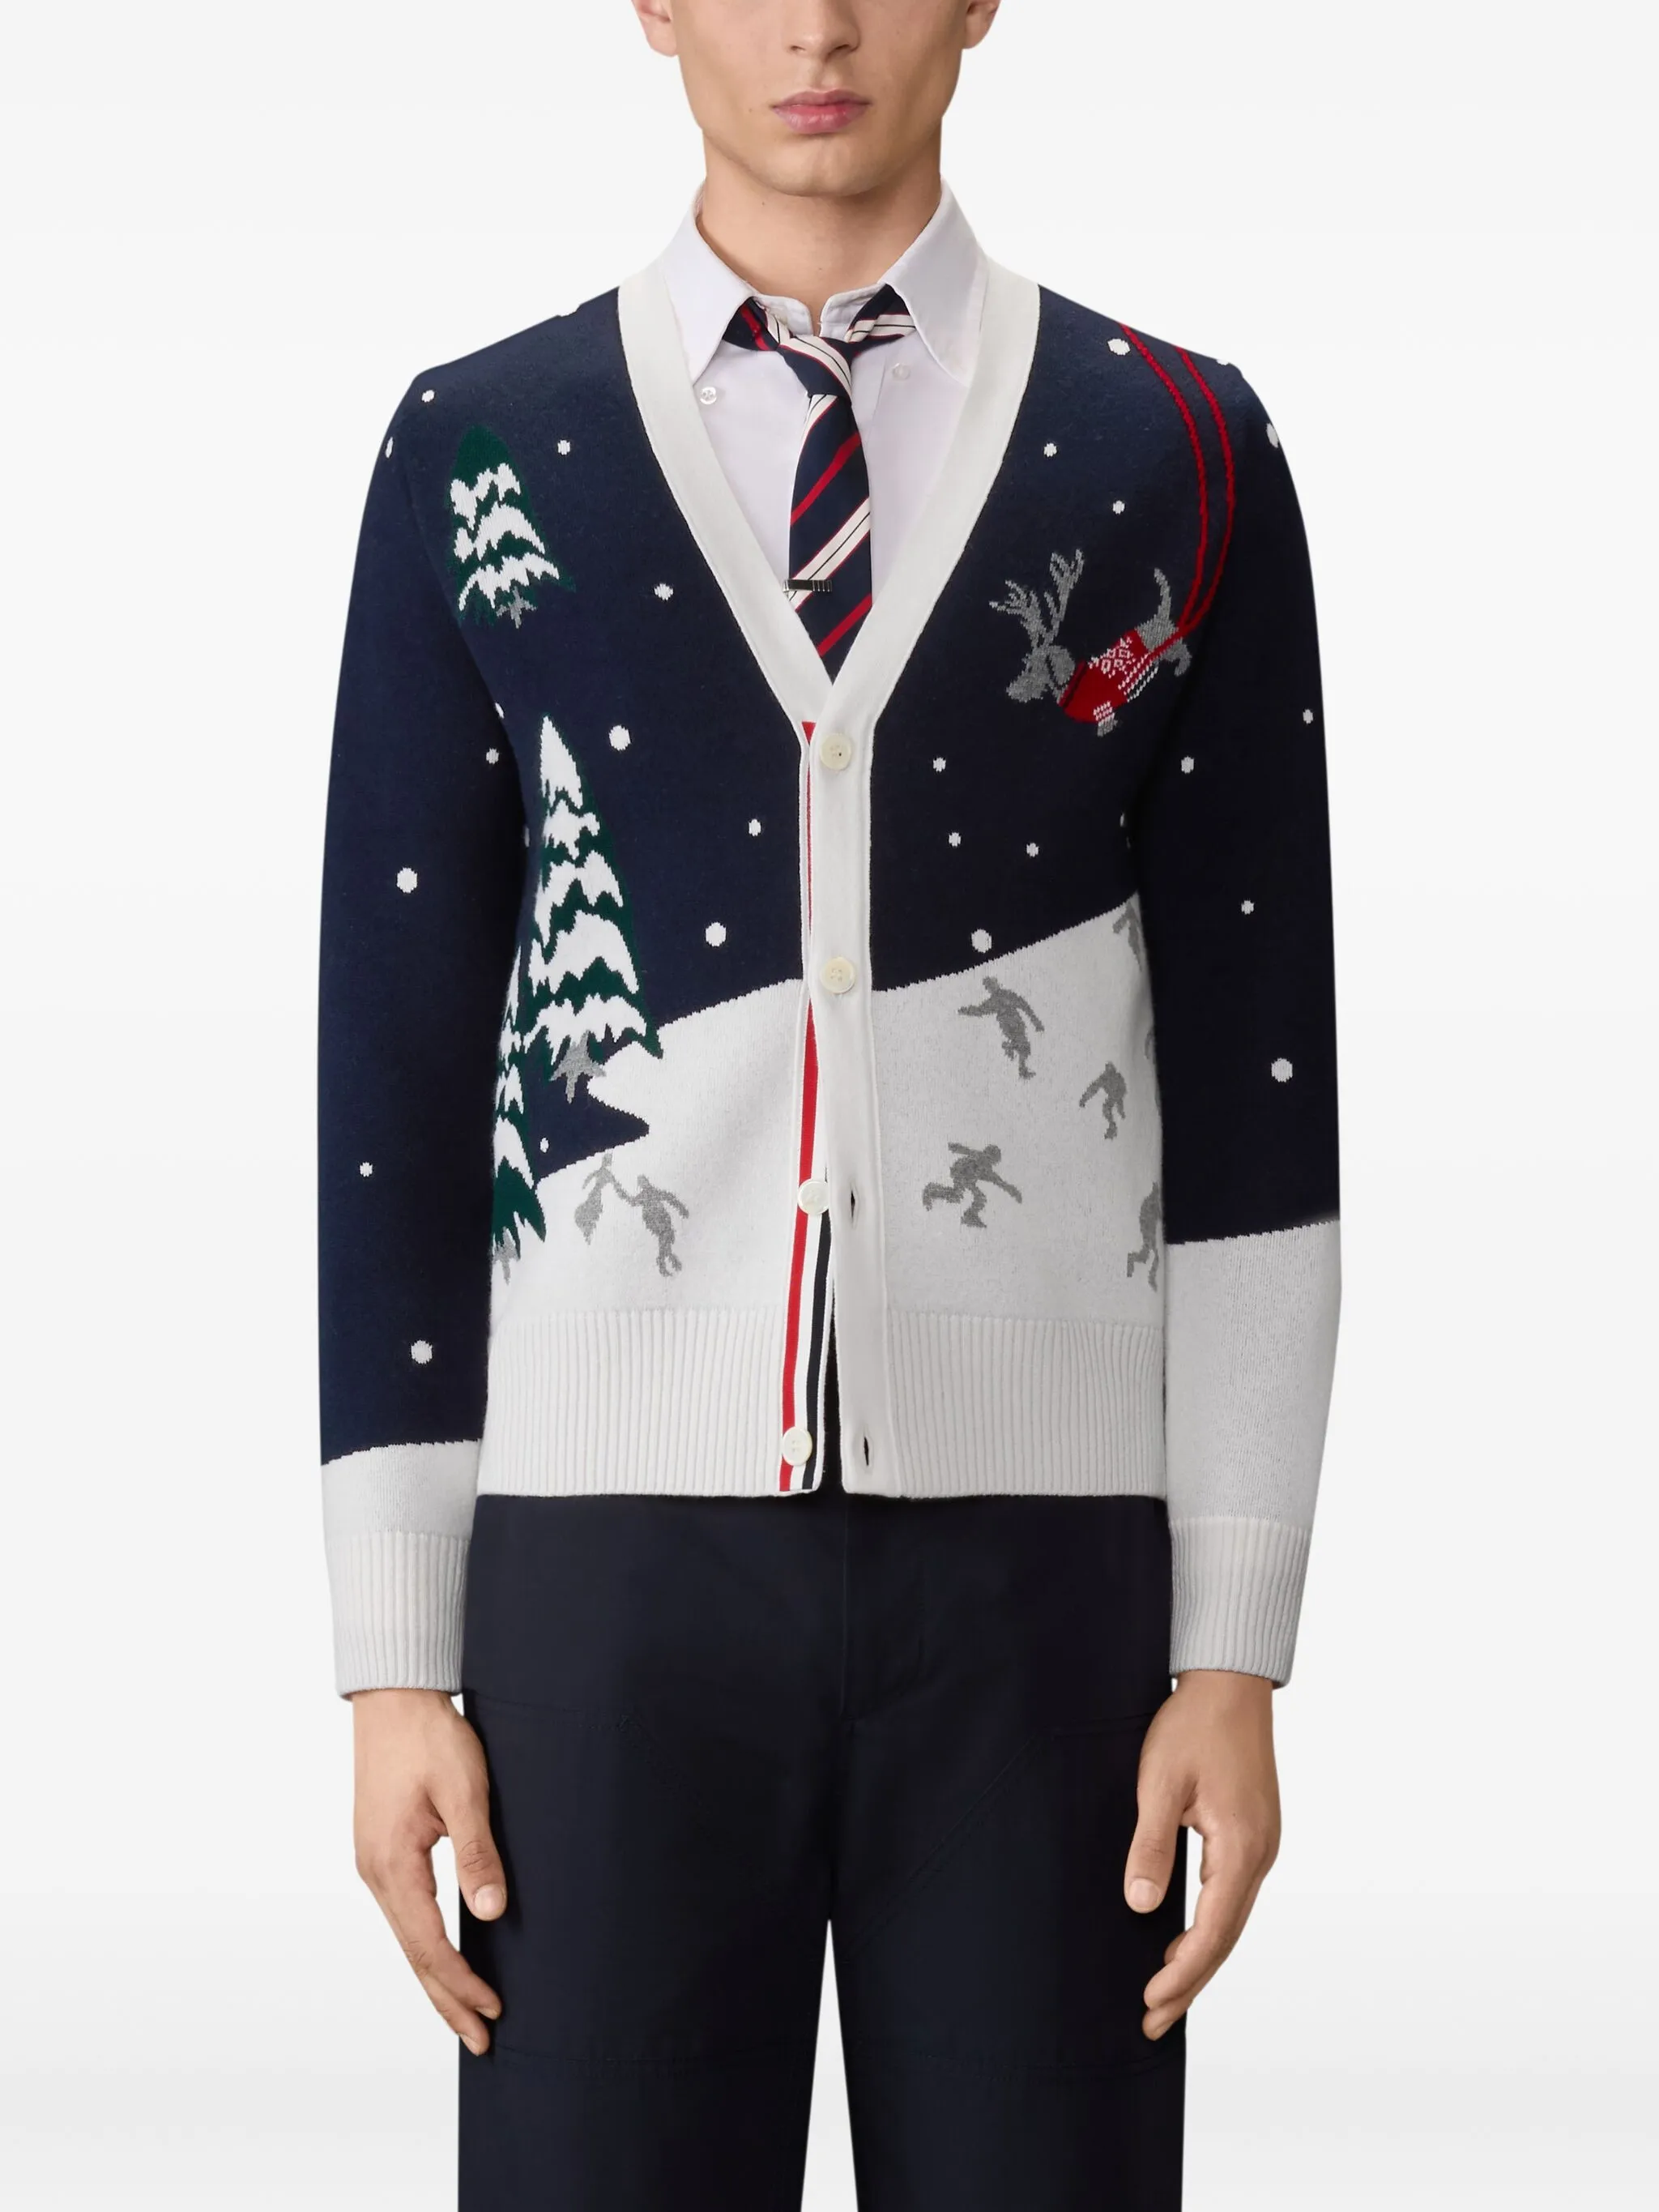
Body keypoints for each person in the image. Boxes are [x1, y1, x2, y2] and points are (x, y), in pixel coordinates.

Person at [317, 3, 1341, 2205]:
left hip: (1051, 1587)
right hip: (601, 1588)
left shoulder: (1175, 445)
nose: (816, 25)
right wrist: (393, 1656)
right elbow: (396, 1062)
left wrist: (1233, 1643)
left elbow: (1266, 1074)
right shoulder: (479, 446)